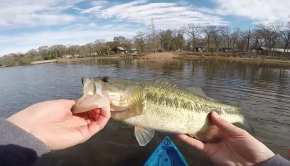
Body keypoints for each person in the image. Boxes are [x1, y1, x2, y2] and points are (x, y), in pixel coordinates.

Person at [0, 99, 289, 166]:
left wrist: (21, 132)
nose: (98, 85)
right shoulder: (129, 106)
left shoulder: (136, 101)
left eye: (105, 81)